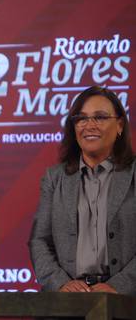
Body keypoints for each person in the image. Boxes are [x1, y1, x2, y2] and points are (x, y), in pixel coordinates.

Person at [29, 86, 136, 295]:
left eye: (100, 117)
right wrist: (60, 283)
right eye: (82, 118)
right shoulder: (55, 177)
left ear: (120, 125)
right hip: (67, 302)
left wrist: (117, 286)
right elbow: (39, 241)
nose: (89, 126)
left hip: (126, 301)